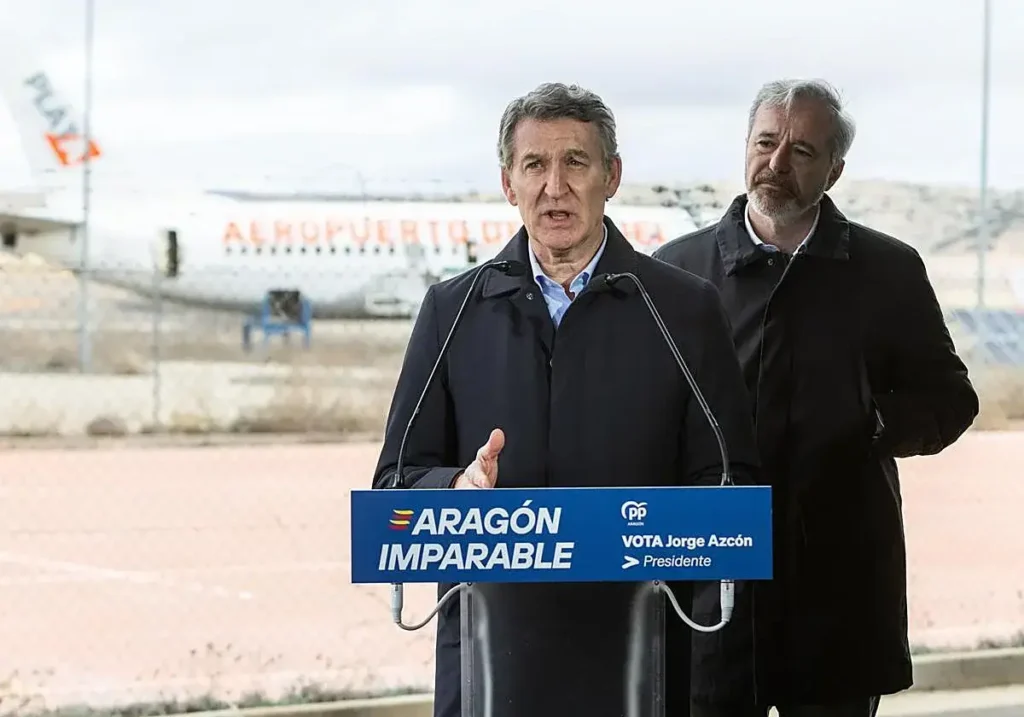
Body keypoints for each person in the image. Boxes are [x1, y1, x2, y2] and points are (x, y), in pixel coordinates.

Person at [372, 81, 761, 717]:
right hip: (489, 666)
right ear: (509, 184)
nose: (555, 186)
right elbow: (393, 486)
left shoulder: (683, 310)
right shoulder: (452, 311)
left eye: (575, 162)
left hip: (639, 660)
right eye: (535, 165)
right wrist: (456, 492)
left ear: (611, 176)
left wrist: (649, 527)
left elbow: (729, 481)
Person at [653, 78, 980, 717]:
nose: (776, 164)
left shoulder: (889, 271)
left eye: (802, 151)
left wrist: (872, 420)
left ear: (834, 171)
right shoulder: (675, 271)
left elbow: (951, 399)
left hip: (840, 587)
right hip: (713, 588)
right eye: (766, 142)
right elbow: (642, 412)